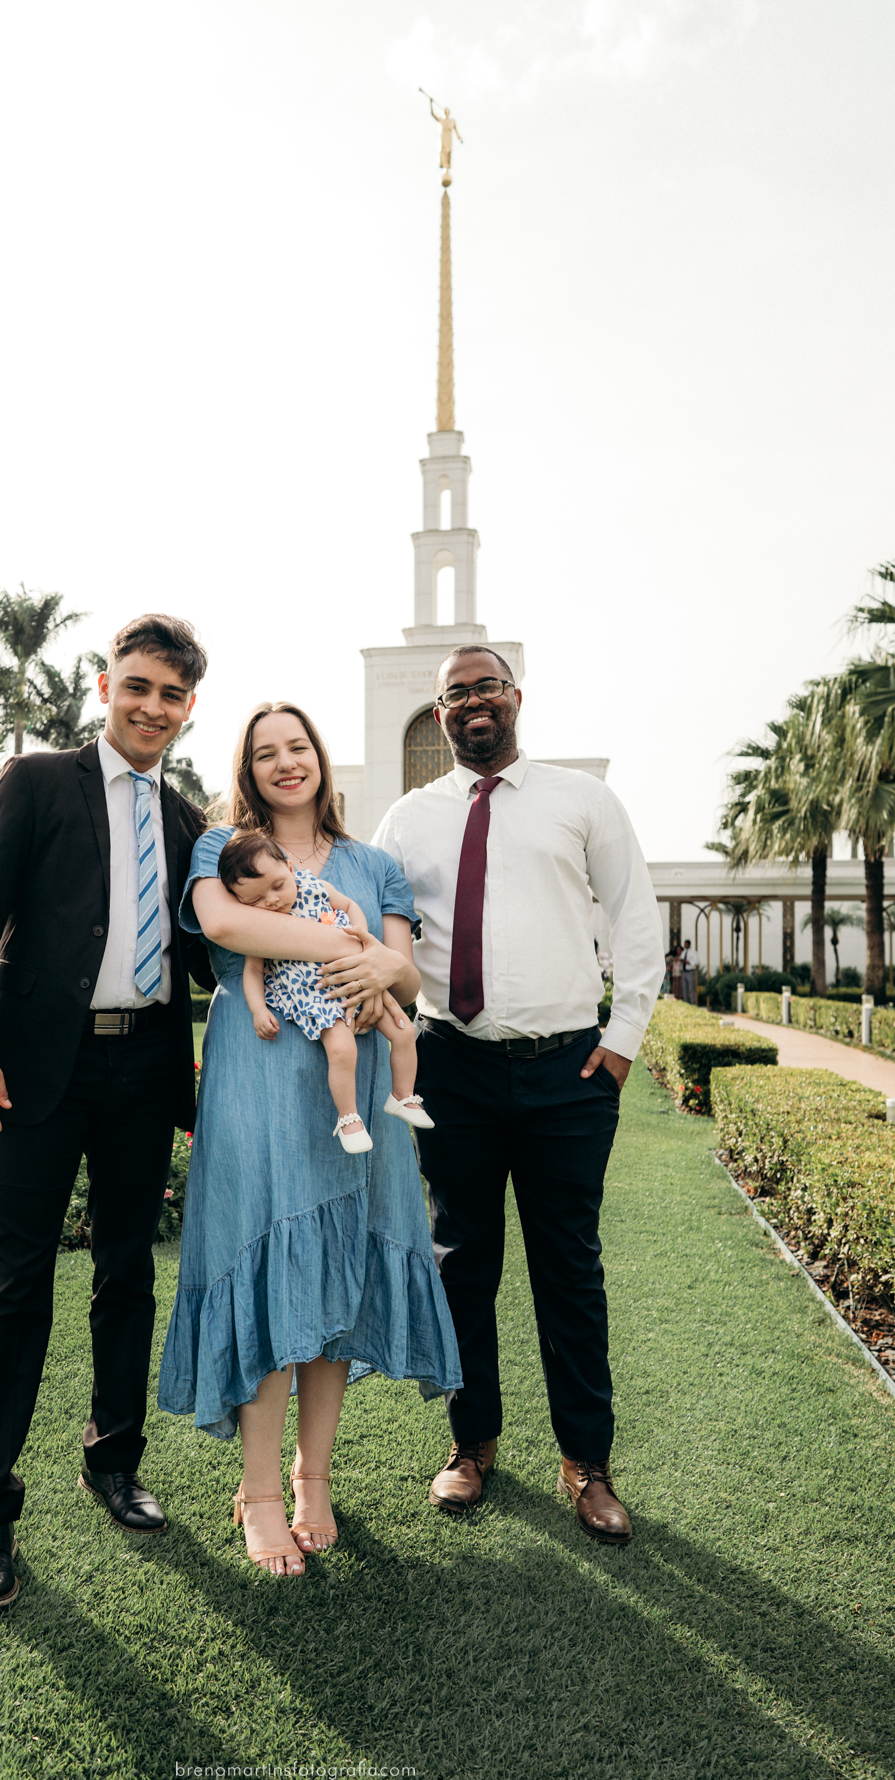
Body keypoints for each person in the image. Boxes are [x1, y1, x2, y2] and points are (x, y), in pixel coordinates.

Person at [0, 614, 214, 1610]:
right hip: (35, 1069)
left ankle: (114, 1463)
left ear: (188, 710)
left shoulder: (188, 823)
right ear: (106, 687)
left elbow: (215, 947)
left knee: (128, 1273)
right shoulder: (38, 781)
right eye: (137, 687)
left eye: (171, 695)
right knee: (15, 1284)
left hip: (144, 1068)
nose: (151, 708)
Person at [158, 703, 462, 1576]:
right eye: (266, 753)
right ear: (247, 768)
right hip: (258, 1087)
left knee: (336, 1278)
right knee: (269, 1272)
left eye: (298, 748)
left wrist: (385, 968)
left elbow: (405, 966)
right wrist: (351, 949)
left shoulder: (374, 862)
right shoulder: (221, 849)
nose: (285, 764)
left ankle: (312, 1477)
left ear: (322, 760)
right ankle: (255, 1492)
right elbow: (227, 928)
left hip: (355, 1090)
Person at [372, 646, 664, 1544]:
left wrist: (618, 1047)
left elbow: (636, 918)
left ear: (515, 698)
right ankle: (472, 1443)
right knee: (463, 1264)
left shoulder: (582, 799)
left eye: (486, 687)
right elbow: (369, 931)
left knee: (568, 1270)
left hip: (567, 1073)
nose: (473, 703)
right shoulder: (407, 819)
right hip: (452, 1066)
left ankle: (588, 1462)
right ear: (440, 711)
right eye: (456, 693)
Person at [218, 828, 433, 1152]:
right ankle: (349, 1119)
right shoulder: (257, 923)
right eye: (256, 899)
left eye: (277, 885)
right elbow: (253, 970)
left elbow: (349, 904)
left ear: (290, 868)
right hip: (315, 993)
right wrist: (258, 1009)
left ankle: (402, 1095)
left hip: (356, 978)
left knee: (403, 1031)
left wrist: (361, 938)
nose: (272, 900)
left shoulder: (314, 887)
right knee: (342, 1049)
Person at [681, 938, 698, 1004]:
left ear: (689, 944)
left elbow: (696, 961)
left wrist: (689, 962)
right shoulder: (684, 952)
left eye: (686, 944)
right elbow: (681, 959)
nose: (685, 945)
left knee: (691, 988)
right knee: (684, 988)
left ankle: (693, 1002)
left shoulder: (693, 952)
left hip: (690, 971)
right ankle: (686, 1002)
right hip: (684, 971)